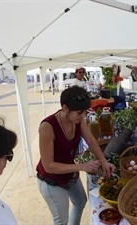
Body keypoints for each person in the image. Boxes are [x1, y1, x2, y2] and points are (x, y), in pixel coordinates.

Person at [36, 85, 116, 225]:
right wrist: (82, 166)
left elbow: (91, 140)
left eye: (85, 112)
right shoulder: (47, 127)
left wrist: (103, 161)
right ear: (65, 108)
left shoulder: (78, 120)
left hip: (69, 174)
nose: (83, 116)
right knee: (61, 221)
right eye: (79, 112)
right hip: (51, 180)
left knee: (80, 202)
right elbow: (48, 166)